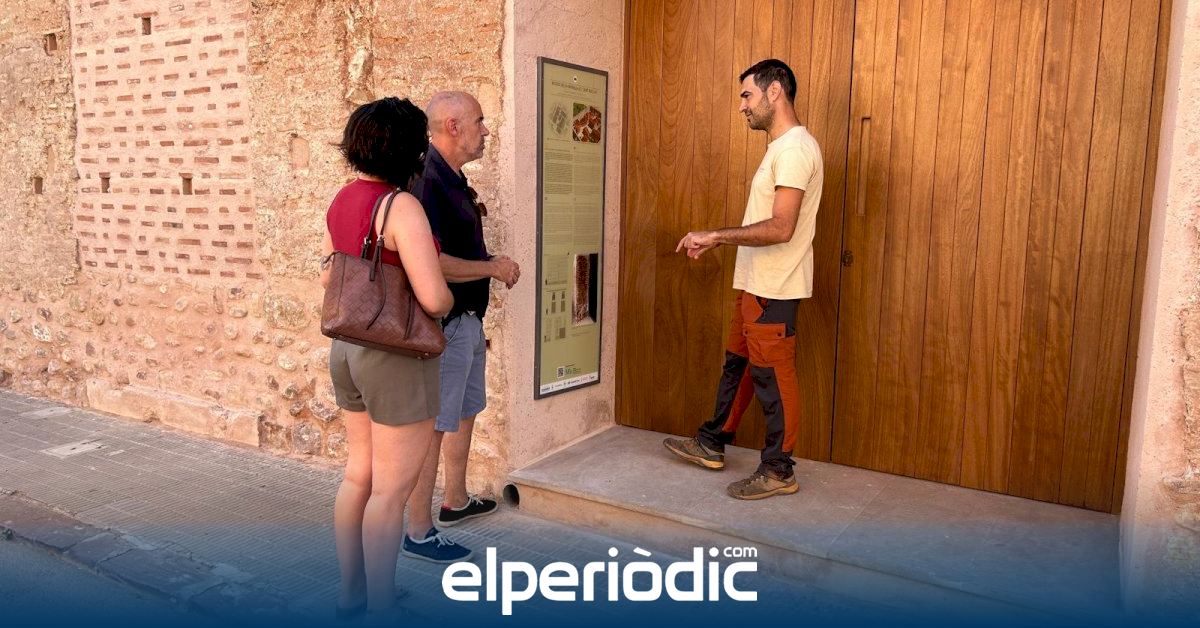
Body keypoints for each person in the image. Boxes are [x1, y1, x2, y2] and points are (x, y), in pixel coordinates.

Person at [664, 59, 824, 500]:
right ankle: (712, 441)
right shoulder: (780, 148)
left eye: (747, 95)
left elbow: (782, 227)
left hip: (776, 287)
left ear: (775, 91)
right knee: (739, 365)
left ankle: (779, 470)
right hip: (756, 285)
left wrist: (716, 236)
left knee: (774, 378)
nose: (742, 106)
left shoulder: (795, 149)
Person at [319, 97, 453, 617]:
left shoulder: (343, 198)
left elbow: (332, 272)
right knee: (391, 493)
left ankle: (351, 595)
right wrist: (446, 295)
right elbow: (434, 298)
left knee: (359, 475)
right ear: (410, 150)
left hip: (347, 347)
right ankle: (381, 608)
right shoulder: (402, 207)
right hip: (395, 355)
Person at [401, 91, 520, 563]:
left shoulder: (451, 178)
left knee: (466, 411)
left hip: (466, 322)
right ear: (453, 126)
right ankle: (418, 531)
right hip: (443, 327)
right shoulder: (426, 181)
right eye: (479, 121)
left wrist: (487, 264)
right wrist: (492, 268)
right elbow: (429, 261)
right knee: (433, 428)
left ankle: (454, 500)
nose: (486, 130)